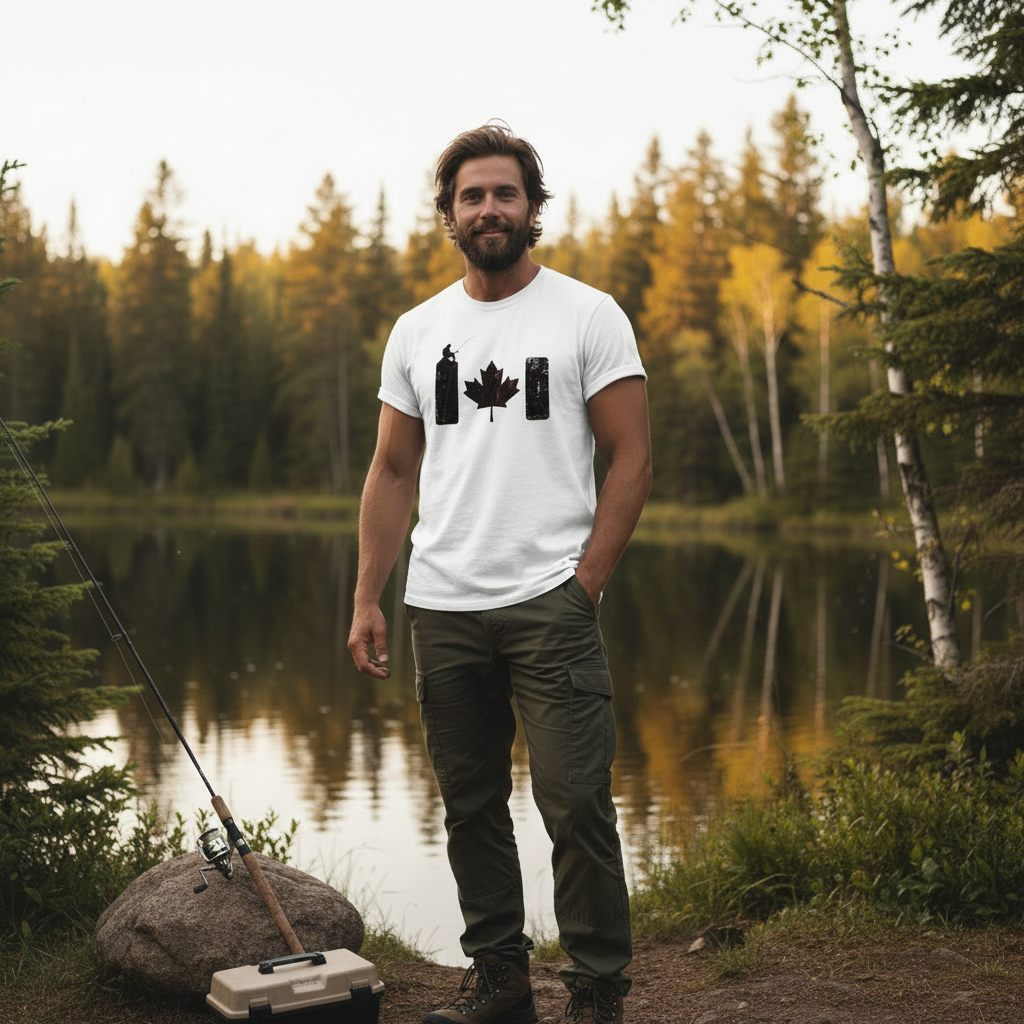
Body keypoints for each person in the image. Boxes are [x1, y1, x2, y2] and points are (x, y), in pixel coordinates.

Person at [348, 123, 652, 1024]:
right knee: (471, 806)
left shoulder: (586, 315)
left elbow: (631, 459)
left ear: (533, 209)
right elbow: (392, 472)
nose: (490, 209)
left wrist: (583, 584)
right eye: (472, 195)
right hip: (440, 605)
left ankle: (597, 990)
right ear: (447, 214)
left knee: (575, 804)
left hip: (549, 603)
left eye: (506, 194)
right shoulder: (418, 329)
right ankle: (501, 980)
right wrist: (369, 593)